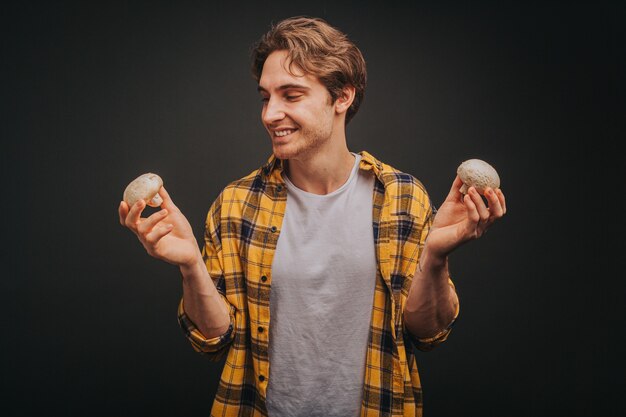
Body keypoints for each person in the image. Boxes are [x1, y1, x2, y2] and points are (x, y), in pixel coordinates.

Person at [119, 16, 506, 417]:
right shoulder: (236, 203)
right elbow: (215, 340)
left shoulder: (402, 198)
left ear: (342, 98)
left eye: (291, 94)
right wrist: (190, 266)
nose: (270, 114)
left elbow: (426, 333)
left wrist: (437, 256)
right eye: (265, 97)